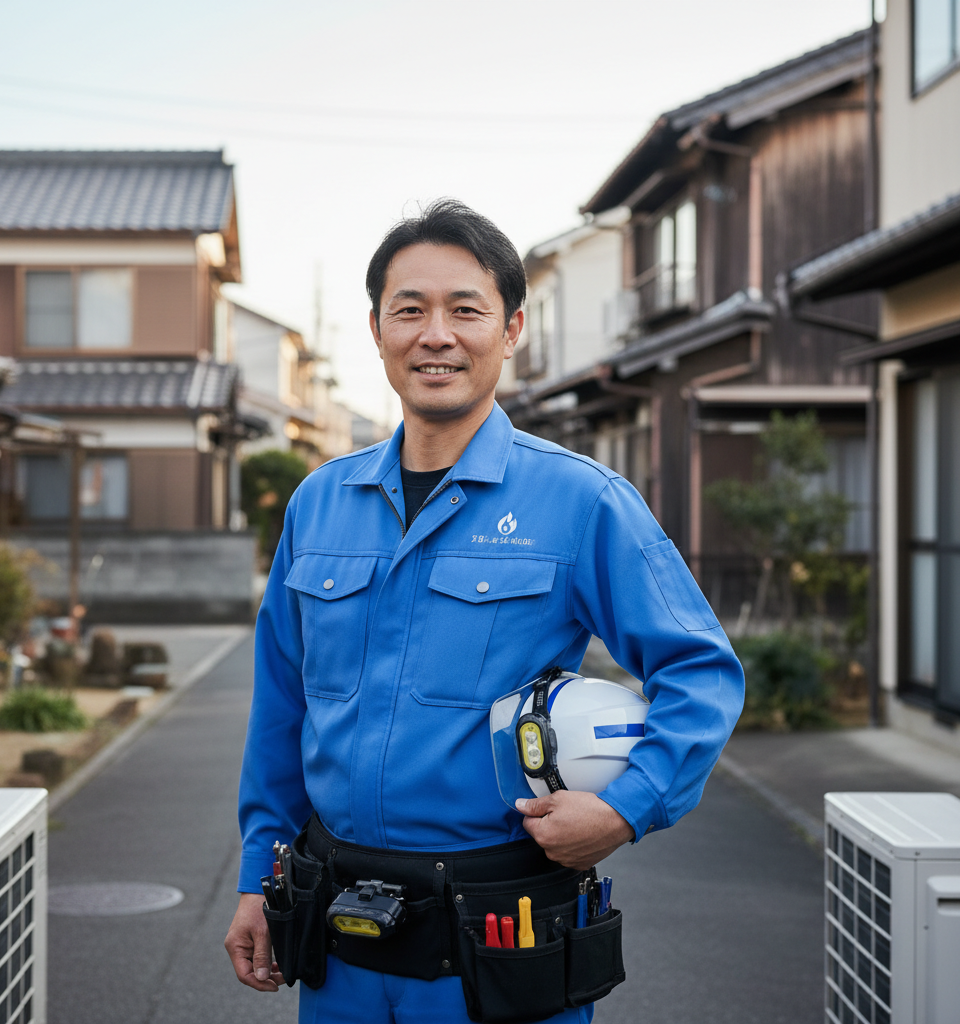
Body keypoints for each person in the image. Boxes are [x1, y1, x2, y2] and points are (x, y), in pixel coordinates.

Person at [225, 199, 744, 1023]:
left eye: (466, 310)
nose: (436, 335)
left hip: (500, 944)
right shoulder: (318, 503)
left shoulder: (581, 501)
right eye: (410, 311)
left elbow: (701, 670)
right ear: (377, 330)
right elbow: (282, 707)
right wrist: (260, 874)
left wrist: (625, 808)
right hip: (337, 937)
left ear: (511, 331)